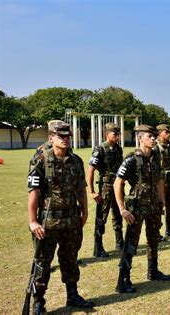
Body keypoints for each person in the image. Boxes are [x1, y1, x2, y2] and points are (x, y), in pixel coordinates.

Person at [27, 120, 94, 313]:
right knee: (43, 262)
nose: (65, 139)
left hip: (71, 220)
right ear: (51, 138)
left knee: (70, 259)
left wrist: (84, 211)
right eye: (60, 136)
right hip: (47, 222)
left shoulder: (76, 161)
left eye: (67, 136)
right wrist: (32, 221)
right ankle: (39, 301)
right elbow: (34, 192)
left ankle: (72, 295)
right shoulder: (41, 160)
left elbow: (81, 189)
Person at [114, 124, 170, 294]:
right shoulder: (132, 159)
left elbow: (160, 179)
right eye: (149, 136)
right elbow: (118, 183)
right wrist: (122, 209)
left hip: (154, 205)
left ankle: (152, 271)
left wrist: (162, 201)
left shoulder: (155, 156)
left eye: (154, 136)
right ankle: (124, 279)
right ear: (140, 138)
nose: (153, 139)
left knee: (153, 239)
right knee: (131, 243)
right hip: (137, 207)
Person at [87, 122, 124, 257]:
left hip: (118, 187)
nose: (117, 137)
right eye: (115, 134)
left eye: (118, 134)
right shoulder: (100, 149)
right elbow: (91, 170)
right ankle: (98, 247)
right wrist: (92, 191)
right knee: (102, 217)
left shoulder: (118, 149)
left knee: (118, 214)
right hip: (105, 188)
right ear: (106, 135)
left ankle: (120, 242)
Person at [153, 123, 170, 239]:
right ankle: (156, 232)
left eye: (169, 132)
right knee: (159, 206)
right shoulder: (155, 147)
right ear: (160, 133)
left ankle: (169, 229)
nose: (169, 134)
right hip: (160, 181)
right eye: (166, 132)